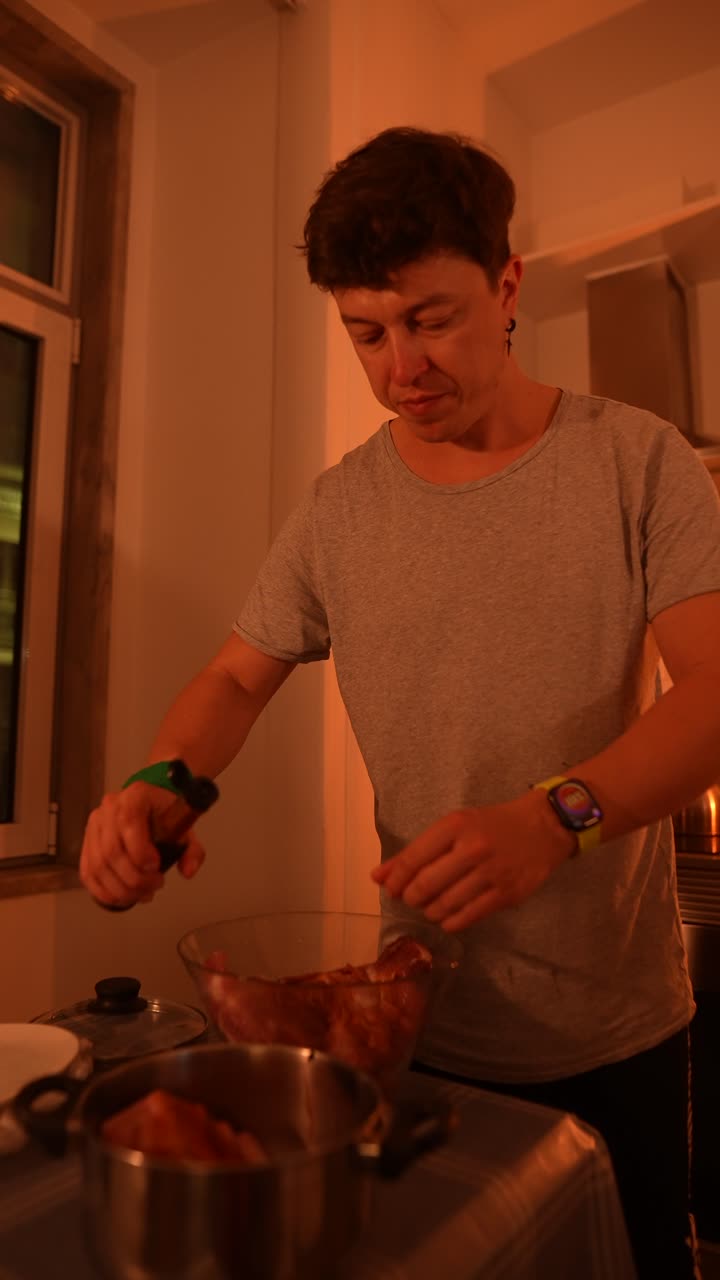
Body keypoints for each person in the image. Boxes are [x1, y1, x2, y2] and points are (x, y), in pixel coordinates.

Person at [80, 127, 720, 1278]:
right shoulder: (342, 509)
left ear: (508, 283)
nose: (399, 368)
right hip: (410, 1034)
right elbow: (233, 676)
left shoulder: (637, 460)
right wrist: (161, 782)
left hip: (612, 1034)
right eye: (364, 334)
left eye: (430, 319)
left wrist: (556, 816)